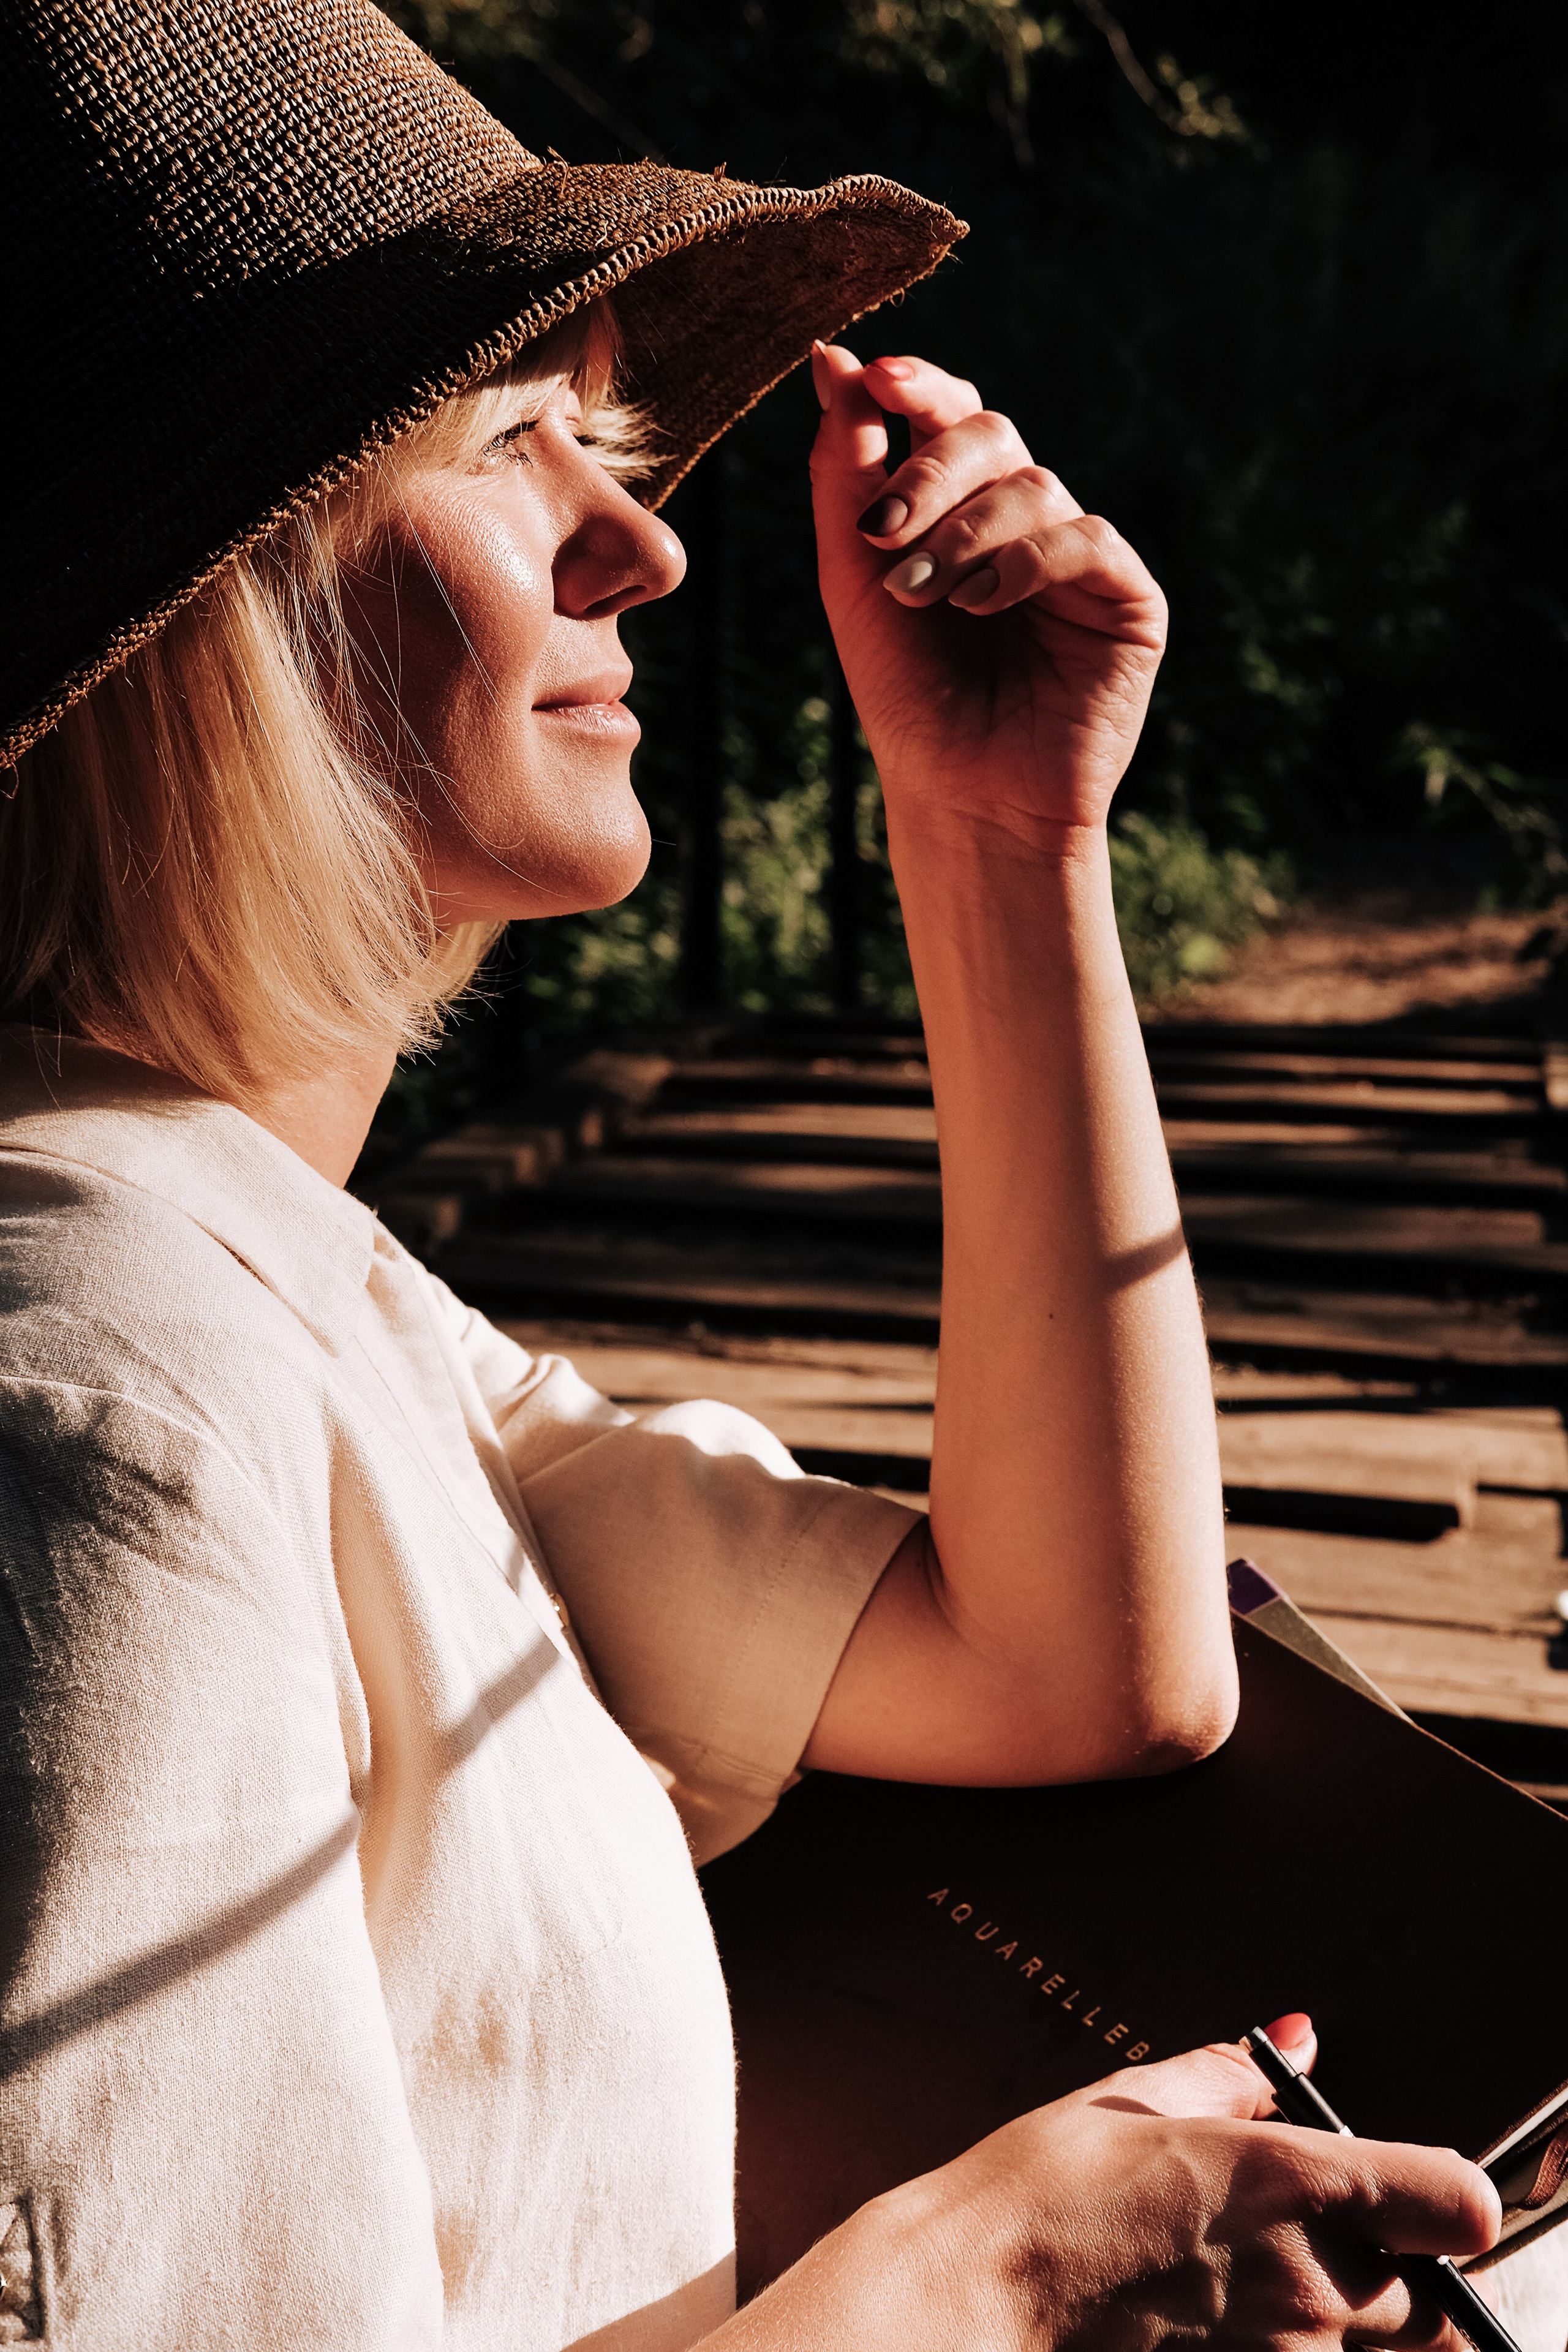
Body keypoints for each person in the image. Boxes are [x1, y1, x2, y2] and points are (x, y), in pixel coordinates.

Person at [0, 1, 1511, 2347]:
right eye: (512, 442)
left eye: (607, 438)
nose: (642, 541)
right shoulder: (104, 1411)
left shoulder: (293, 1298)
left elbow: (1076, 1668)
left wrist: (1001, 834)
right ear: (212, 603)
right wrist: (992, 2270)